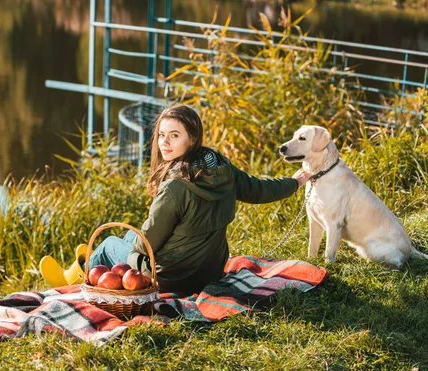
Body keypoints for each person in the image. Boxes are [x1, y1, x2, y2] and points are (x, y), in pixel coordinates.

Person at [88, 105, 311, 295]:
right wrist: (294, 183)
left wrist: (137, 245)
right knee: (129, 235)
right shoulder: (222, 168)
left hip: (172, 278)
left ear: (192, 139)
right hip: (210, 272)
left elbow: (147, 244)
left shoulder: (174, 188)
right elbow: (259, 189)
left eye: (174, 135)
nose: (164, 142)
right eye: (162, 135)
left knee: (109, 245)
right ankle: (86, 270)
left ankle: (79, 283)